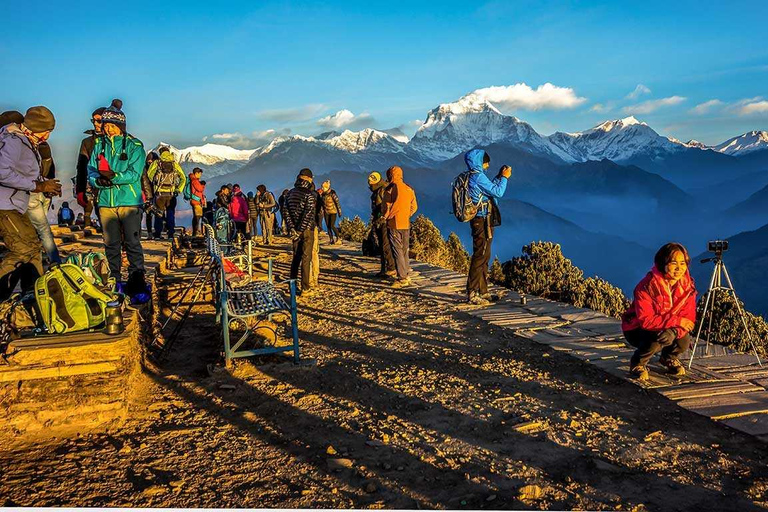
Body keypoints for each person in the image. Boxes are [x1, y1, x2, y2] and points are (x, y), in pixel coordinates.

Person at [87, 99, 148, 302]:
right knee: (110, 244)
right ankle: (113, 280)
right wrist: (98, 182)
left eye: (112, 126)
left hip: (129, 201)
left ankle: (137, 279)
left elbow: (134, 174)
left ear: (121, 126)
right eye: (105, 126)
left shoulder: (134, 146)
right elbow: (91, 171)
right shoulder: (99, 146)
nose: (108, 130)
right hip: (105, 202)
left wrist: (113, 177)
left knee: (132, 242)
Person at [0, 106, 62, 299]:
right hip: (4, 206)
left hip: (16, 204)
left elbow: (24, 172)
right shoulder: (13, 140)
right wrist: (36, 186)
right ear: (37, 127)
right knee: (23, 248)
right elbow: (2, 172)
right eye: (47, 131)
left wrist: (45, 184)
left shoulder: (27, 141)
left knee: (34, 248)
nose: (48, 136)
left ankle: (34, 296)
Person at [621, 243, 697, 381]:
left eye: (683, 263)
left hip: (668, 327)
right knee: (658, 338)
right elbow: (646, 320)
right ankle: (638, 363)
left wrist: (674, 331)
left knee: (684, 340)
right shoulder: (647, 286)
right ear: (663, 263)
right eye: (674, 263)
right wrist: (676, 322)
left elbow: (688, 317)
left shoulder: (687, 286)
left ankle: (668, 358)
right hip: (636, 328)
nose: (679, 268)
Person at [463, 149, 512, 305]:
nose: (488, 164)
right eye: (486, 161)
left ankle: (482, 291)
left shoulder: (473, 176)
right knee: (480, 256)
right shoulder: (478, 177)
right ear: (479, 162)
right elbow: (498, 192)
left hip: (483, 220)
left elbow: (488, 190)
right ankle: (472, 293)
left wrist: (498, 177)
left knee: (484, 256)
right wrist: (504, 178)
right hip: (481, 220)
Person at [283, 168, 319, 295]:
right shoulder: (309, 195)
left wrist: (292, 228)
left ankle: (292, 285)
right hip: (306, 230)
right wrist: (300, 230)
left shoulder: (290, 193)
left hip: (294, 231)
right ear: (308, 179)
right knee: (306, 258)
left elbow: (285, 212)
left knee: (295, 258)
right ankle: (305, 287)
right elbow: (308, 214)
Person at [26, 139, 62, 264]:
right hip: (45, 193)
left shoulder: (24, 145)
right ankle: (52, 260)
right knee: (43, 230)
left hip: (33, 192)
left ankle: (51, 261)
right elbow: (51, 171)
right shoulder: (44, 147)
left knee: (40, 230)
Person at [382, 165, 417, 288]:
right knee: (404, 250)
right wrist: (407, 214)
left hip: (394, 223)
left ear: (390, 175)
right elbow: (414, 206)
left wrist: (385, 217)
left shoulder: (390, 189)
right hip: (406, 223)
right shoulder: (409, 188)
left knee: (397, 250)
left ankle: (402, 278)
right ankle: (406, 273)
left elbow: (386, 207)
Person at [75, 106, 106, 229]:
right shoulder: (87, 142)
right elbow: (81, 167)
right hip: (96, 185)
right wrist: (80, 190)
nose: (96, 124)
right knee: (103, 217)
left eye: (99, 121)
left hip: (117, 187)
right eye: (93, 121)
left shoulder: (121, 140)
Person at [147, 146, 186, 239]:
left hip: (160, 193)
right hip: (171, 194)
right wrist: (178, 189)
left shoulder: (157, 163)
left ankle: (158, 233)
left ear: (160, 153)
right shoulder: (174, 164)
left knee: (159, 214)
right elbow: (183, 178)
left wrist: (155, 183)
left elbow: (149, 174)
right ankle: (171, 233)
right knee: (170, 213)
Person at [367, 171, 396, 278]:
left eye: (370, 182)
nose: (369, 184)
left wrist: (380, 216)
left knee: (385, 245)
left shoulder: (382, 190)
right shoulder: (378, 190)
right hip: (379, 220)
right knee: (382, 244)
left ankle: (390, 268)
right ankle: (384, 269)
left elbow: (385, 206)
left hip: (384, 221)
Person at [319, 180, 342, 244]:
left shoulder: (332, 194)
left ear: (327, 187)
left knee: (332, 225)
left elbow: (337, 203)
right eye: (322, 187)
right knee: (328, 226)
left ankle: (338, 237)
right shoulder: (323, 195)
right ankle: (331, 239)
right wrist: (321, 211)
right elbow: (322, 204)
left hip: (333, 212)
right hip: (326, 212)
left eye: (323, 187)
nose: (322, 188)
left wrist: (339, 212)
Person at [142, 151, 159, 240]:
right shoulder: (158, 169)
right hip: (151, 195)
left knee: (148, 214)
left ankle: (150, 232)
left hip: (146, 194)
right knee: (151, 214)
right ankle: (153, 232)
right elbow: (146, 183)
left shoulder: (144, 169)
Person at [188, 167, 205, 236]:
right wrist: (203, 185)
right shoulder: (195, 180)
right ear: (196, 173)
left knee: (196, 217)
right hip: (196, 201)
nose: (200, 175)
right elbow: (200, 189)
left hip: (194, 200)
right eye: (200, 173)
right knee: (197, 216)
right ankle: (195, 232)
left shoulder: (193, 180)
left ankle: (195, 231)